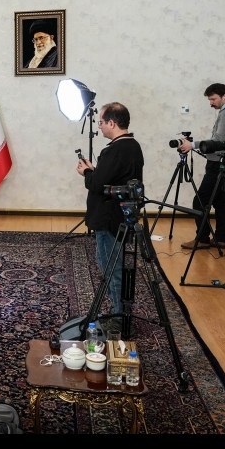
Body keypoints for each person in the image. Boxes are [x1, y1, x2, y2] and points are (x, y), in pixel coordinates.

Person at [75, 103, 144, 324]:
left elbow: (96, 184)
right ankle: (121, 309)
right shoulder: (133, 146)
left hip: (109, 218)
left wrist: (86, 172)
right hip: (121, 215)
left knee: (110, 265)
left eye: (101, 122)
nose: (100, 127)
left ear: (112, 123)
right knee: (115, 263)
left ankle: (118, 316)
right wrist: (96, 172)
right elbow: (111, 179)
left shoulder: (114, 149)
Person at [178, 83, 225, 250]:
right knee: (220, 203)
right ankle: (221, 239)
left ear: (224, 96)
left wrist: (193, 145)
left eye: (213, 99)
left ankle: (203, 239)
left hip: (218, 165)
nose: (211, 103)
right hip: (221, 163)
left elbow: (218, 139)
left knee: (199, 202)